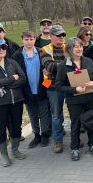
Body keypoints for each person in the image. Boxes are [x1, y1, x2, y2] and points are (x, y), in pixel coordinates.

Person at [0, 38, 27, 167]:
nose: (2, 50)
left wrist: (5, 84)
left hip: (16, 101)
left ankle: (15, 150)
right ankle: (4, 155)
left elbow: (22, 78)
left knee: (16, 126)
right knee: (0, 129)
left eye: (3, 47)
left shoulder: (12, 62)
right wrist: (12, 79)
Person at [55, 38, 93, 161]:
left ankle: (92, 144)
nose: (79, 49)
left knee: (91, 122)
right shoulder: (63, 66)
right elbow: (58, 86)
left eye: (80, 46)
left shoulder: (88, 61)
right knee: (76, 124)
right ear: (70, 49)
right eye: (76, 47)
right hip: (74, 101)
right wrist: (74, 89)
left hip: (91, 98)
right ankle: (74, 148)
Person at [12, 31, 52, 148]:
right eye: (26, 39)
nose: (29, 42)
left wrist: (46, 85)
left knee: (44, 113)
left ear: (35, 40)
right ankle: (36, 135)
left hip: (41, 89)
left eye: (31, 39)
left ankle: (45, 134)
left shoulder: (41, 52)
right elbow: (15, 74)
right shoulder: (17, 55)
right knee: (33, 115)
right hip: (27, 91)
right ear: (22, 40)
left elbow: (49, 71)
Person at [40, 25, 67, 153]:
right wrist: (67, 64)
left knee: (74, 112)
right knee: (56, 115)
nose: (61, 37)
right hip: (52, 86)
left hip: (69, 85)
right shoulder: (44, 50)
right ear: (51, 36)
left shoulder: (68, 47)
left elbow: (77, 62)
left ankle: (75, 138)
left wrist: (56, 66)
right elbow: (49, 67)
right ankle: (58, 141)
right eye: (58, 35)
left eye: (63, 35)